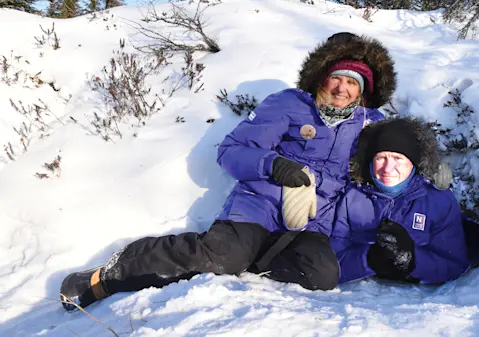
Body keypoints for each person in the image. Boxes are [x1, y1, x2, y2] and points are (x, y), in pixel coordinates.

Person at [60, 32, 397, 311]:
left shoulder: (369, 124)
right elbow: (231, 152)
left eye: (352, 82)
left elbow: (398, 159)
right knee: (220, 255)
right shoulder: (289, 104)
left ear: (363, 90)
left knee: (322, 276)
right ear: (322, 77)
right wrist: (273, 164)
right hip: (260, 206)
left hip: (311, 220)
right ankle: (110, 274)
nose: (341, 88)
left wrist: (426, 166)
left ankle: (251, 260)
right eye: (335, 78)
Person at [330, 118, 479, 285]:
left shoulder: (437, 202)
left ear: (413, 163)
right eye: (381, 158)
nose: (387, 168)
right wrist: (368, 259)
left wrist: (413, 259)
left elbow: (454, 264)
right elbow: (332, 262)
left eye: (398, 158)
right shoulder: (351, 198)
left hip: (418, 306)